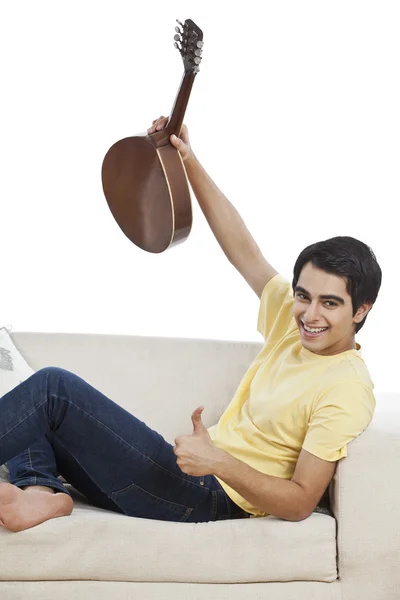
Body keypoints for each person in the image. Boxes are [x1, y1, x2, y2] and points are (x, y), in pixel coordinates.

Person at [0, 116, 382, 532]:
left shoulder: (347, 388)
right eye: (304, 296)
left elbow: (301, 501)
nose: (310, 315)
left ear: (361, 309)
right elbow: (243, 248)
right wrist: (188, 160)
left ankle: (37, 488)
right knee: (32, 406)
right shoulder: (294, 326)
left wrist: (220, 462)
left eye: (330, 303)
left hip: (209, 496)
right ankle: (38, 492)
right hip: (191, 476)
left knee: (55, 390)